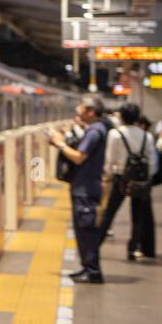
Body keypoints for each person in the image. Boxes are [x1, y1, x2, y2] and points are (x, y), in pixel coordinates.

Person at [50, 95, 110, 283]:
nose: (78, 112)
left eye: (82, 108)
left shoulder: (94, 131)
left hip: (86, 188)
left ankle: (92, 270)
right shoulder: (94, 129)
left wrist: (59, 143)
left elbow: (78, 157)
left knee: (86, 230)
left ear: (91, 112)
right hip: (85, 186)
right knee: (83, 229)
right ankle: (87, 267)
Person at [100, 103, 158, 261]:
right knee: (137, 216)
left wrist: (107, 176)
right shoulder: (147, 136)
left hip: (121, 178)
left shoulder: (115, 134)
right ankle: (132, 249)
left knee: (109, 212)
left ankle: (95, 243)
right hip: (140, 179)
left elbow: (109, 159)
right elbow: (153, 162)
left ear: (122, 116)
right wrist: (146, 178)